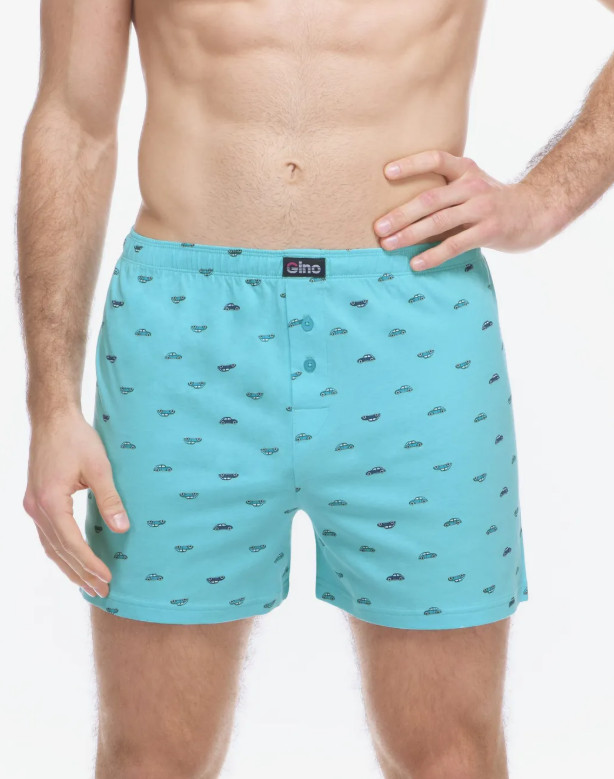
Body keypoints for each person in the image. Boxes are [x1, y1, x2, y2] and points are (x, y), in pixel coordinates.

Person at [15, 1, 614, 777]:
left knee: (451, 758)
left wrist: (541, 201)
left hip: (415, 325)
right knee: (149, 759)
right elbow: (73, 119)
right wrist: (50, 403)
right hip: (182, 340)